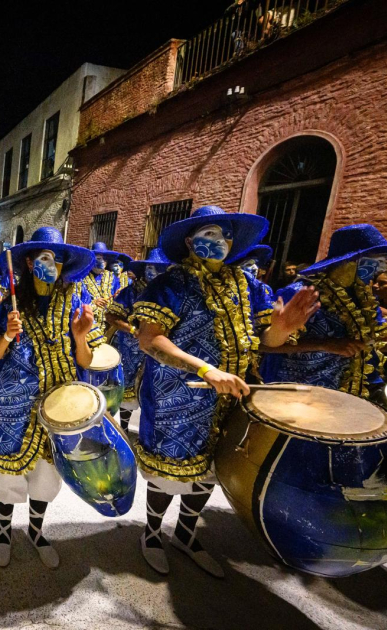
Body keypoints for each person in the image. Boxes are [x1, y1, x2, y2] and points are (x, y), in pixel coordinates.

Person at [131, 206, 318, 578]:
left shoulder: (248, 286)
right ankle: (151, 533)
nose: (220, 242)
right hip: (178, 398)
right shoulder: (171, 284)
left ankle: (186, 534)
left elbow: (267, 338)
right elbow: (150, 339)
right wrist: (204, 368)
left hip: (231, 398)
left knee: (210, 473)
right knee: (169, 474)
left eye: (226, 236)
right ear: (190, 241)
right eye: (211, 234)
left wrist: (281, 328)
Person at [0, 226, 100, 570]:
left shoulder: (77, 301)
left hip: (59, 406)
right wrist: (6, 335)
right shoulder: (8, 303)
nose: (51, 264)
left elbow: (87, 361)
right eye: (44, 258)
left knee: (47, 476)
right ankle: (4, 531)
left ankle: (35, 530)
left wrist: (80, 337)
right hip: (12, 406)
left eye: (57, 258)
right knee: (7, 477)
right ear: (29, 263)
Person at [261, 224, 387, 399]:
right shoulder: (301, 293)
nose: (380, 267)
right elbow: (264, 345)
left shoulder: (365, 299)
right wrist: (325, 344)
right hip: (293, 395)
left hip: (341, 397)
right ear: (348, 261)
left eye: (382, 260)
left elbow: (375, 343)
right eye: (375, 259)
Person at [105, 248, 170, 428]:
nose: (153, 272)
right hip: (130, 350)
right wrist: (133, 329)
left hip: (159, 352)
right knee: (125, 392)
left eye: (158, 268)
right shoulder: (131, 292)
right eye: (150, 267)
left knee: (152, 395)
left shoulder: (171, 293)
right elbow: (111, 316)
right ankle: (120, 428)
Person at [79, 242, 126, 337]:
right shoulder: (81, 277)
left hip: (109, 326)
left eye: (104, 258)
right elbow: (75, 299)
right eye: (98, 258)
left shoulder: (112, 277)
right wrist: (93, 303)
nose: (102, 261)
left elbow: (118, 298)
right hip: (88, 325)